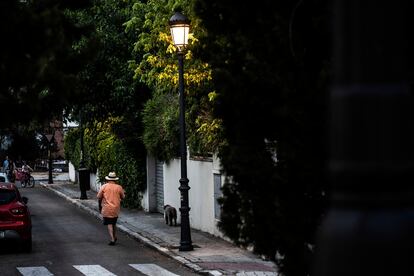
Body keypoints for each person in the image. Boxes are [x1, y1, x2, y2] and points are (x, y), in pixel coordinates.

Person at [97, 172, 125, 245]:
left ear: (108, 179)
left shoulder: (104, 186)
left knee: (109, 223)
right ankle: (114, 236)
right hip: (116, 208)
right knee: (114, 223)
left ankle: (112, 239)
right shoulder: (119, 187)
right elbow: (123, 197)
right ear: (115, 179)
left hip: (107, 208)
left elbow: (98, 196)